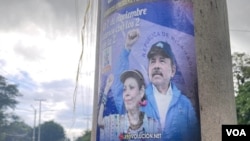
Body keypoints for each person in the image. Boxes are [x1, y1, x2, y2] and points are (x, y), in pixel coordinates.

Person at [112, 29, 200, 141]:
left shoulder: (185, 105)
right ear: (148, 69)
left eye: (162, 61)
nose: (156, 66)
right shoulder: (138, 100)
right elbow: (119, 90)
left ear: (172, 70)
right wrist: (126, 49)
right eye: (152, 61)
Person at [98, 70, 161, 141]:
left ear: (141, 92)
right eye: (124, 89)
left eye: (131, 87)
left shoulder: (153, 126)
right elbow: (100, 122)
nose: (126, 93)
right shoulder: (116, 122)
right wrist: (106, 88)